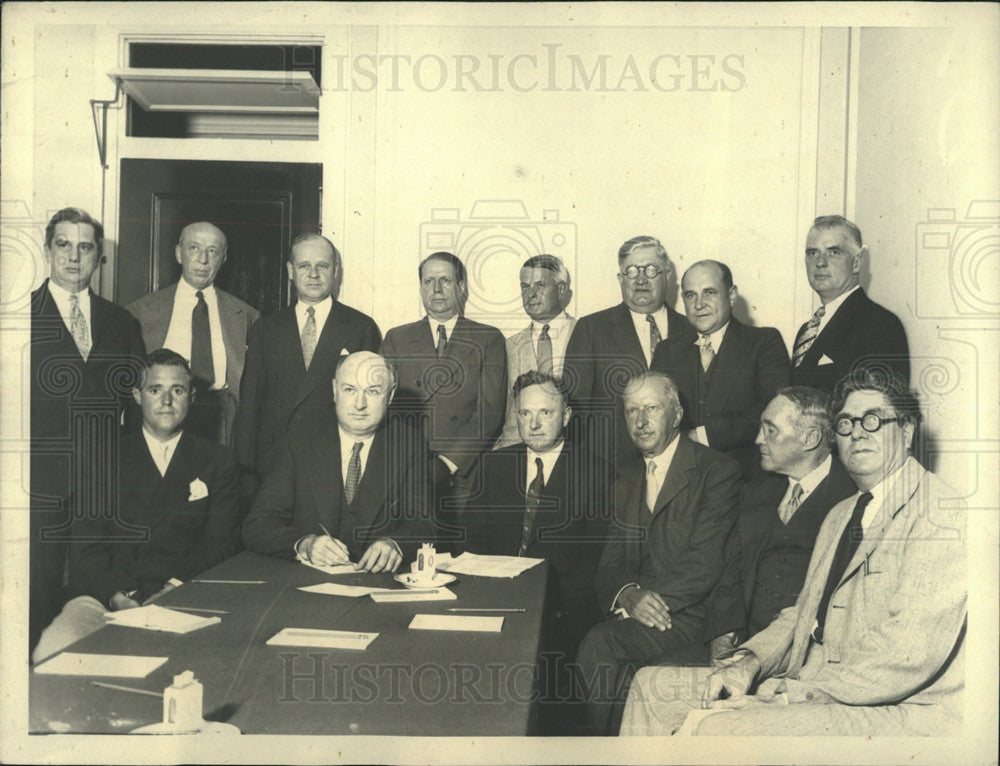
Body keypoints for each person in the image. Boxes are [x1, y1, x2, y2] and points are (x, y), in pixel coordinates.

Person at [621, 367, 965, 736]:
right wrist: (748, 663)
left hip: (895, 708)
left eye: (872, 420)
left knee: (721, 729)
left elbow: (907, 653)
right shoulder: (842, 514)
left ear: (908, 431)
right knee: (649, 690)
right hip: (813, 681)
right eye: (846, 424)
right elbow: (802, 613)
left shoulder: (941, 513)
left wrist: (792, 693)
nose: (857, 433)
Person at [618, 387, 856, 712]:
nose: (758, 439)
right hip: (738, 645)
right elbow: (730, 571)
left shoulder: (850, 500)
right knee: (644, 682)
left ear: (810, 438)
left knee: (661, 695)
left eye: (770, 430)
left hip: (798, 659)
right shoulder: (759, 491)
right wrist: (722, 637)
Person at [32, 349, 240, 663]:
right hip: (105, 598)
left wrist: (174, 587)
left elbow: (220, 542)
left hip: (184, 593)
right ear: (137, 395)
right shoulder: (101, 458)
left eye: (177, 390)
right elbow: (86, 548)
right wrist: (117, 596)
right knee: (52, 650)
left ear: (192, 397)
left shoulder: (217, 461)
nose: (166, 400)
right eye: (155, 390)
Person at [573, 371, 742, 735]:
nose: (640, 420)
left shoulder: (716, 470)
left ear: (677, 415)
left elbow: (705, 562)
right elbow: (609, 562)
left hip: (690, 615)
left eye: (651, 408)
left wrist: (652, 603)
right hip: (637, 612)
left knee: (600, 645)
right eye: (631, 410)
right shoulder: (623, 475)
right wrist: (629, 595)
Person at [29, 207, 145, 658]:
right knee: (34, 596)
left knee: (99, 598)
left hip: (102, 486)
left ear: (99, 256)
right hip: (37, 487)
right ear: (47, 250)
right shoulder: (17, 318)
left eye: (85, 247)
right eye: (63, 245)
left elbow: (136, 410)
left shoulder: (122, 323)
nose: (74, 257)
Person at [464, 372, 614, 691]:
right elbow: (470, 545)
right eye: (525, 413)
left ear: (566, 416)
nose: (533, 424)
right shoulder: (494, 466)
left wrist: (539, 605)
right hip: (493, 604)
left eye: (545, 413)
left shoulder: (597, 474)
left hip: (561, 616)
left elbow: (595, 566)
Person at [242, 351, 435, 570]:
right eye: (349, 390)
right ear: (334, 391)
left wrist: (395, 544)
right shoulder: (298, 441)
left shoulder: (410, 444)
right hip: (305, 586)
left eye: (372, 391)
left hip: (378, 582)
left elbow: (425, 525)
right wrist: (305, 545)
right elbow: (258, 525)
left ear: (390, 396)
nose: (359, 404)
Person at [378, 252, 507, 543]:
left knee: (456, 557)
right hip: (405, 470)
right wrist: (410, 461)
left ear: (461, 287)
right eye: (429, 281)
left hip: (463, 473)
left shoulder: (488, 339)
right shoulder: (396, 338)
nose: (436, 289)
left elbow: (490, 412)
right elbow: (381, 407)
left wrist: (447, 463)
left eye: (445, 280)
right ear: (421, 288)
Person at [234, 233, 381, 484]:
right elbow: (249, 407)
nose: (313, 274)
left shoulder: (360, 327)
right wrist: (244, 471)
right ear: (291, 271)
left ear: (336, 271)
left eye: (322, 266)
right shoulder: (266, 328)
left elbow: (372, 407)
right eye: (304, 266)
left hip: (334, 462)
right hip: (274, 462)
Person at [651, 260, 790, 477]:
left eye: (709, 293)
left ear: (732, 295)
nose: (699, 304)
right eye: (690, 295)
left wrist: (701, 436)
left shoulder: (764, 342)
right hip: (681, 481)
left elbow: (772, 410)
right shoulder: (666, 350)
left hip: (745, 479)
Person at [127, 221, 260, 446]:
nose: (203, 259)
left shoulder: (247, 315)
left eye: (212, 251)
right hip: (164, 413)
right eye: (194, 248)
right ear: (179, 253)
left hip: (222, 419)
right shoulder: (140, 312)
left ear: (223, 259)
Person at [564, 236, 687, 471]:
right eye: (631, 271)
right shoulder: (591, 329)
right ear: (620, 279)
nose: (641, 279)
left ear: (668, 275)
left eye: (651, 270)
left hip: (679, 468)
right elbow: (574, 410)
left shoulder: (690, 329)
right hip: (609, 469)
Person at [790, 215, 909, 392]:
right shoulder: (806, 330)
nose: (820, 263)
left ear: (857, 262)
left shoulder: (881, 324)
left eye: (834, 252)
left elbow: (876, 409)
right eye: (812, 253)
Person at [496, 255, 576, 448]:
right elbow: (508, 418)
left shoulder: (586, 334)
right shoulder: (509, 346)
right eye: (525, 287)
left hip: (577, 455)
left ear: (561, 290)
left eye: (540, 285)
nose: (530, 294)